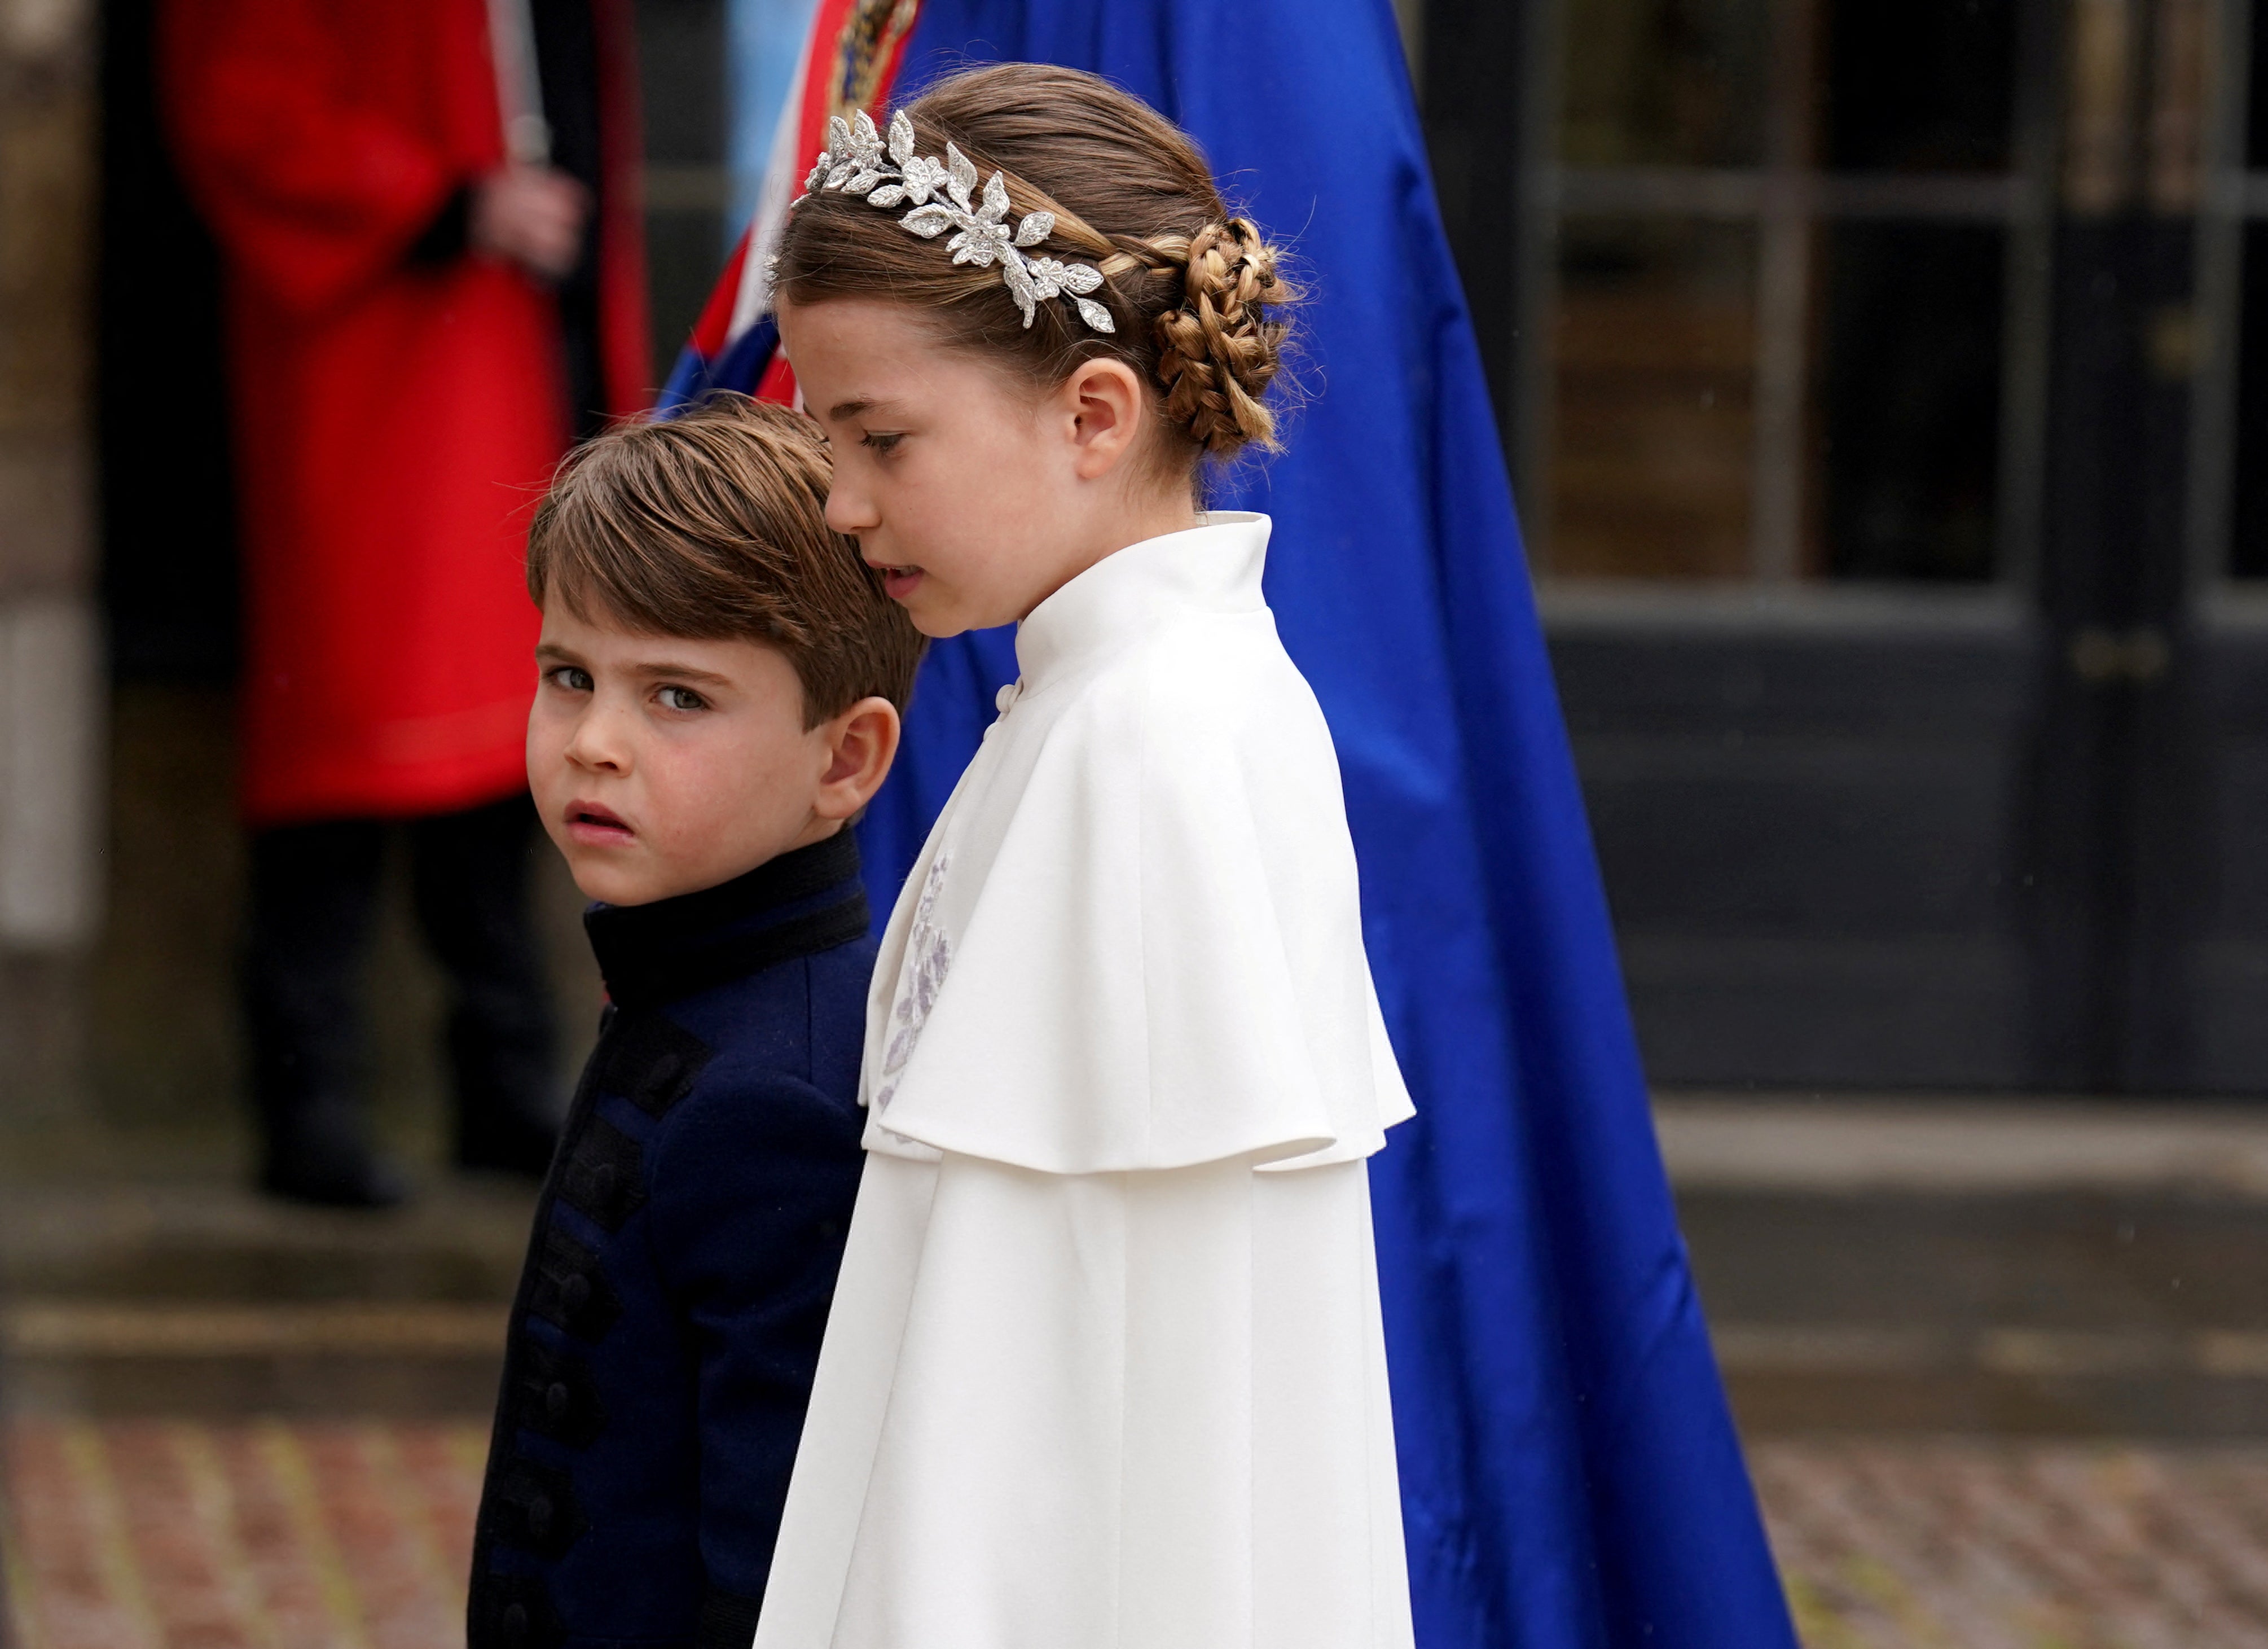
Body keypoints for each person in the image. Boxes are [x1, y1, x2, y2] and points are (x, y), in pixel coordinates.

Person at [757, 64, 1417, 1648]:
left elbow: (1039, 1391)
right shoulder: (1122, 708)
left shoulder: (1135, 752)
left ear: (1092, 414)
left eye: (880, 437)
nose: (840, 503)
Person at [160, 0, 649, 1205]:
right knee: (351, 740)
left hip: (507, 335)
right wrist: (442, 199)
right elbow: (243, 103)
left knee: (504, 735)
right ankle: (309, 1097)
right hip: (384, 344)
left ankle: (502, 1080)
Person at [467, 394, 926, 1648]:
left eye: (676, 697)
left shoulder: (769, 1099)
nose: (594, 743)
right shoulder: (690, 993)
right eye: (569, 677)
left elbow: (772, 1569)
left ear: (847, 759)